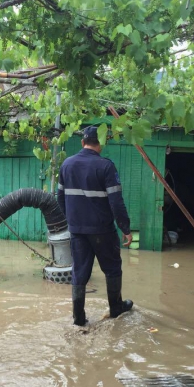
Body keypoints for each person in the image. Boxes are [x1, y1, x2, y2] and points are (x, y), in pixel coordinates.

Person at [57, 125, 134, 327]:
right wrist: (125, 228)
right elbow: (116, 202)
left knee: (79, 272)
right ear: (100, 144)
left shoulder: (66, 165)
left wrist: (71, 222)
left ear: (82, 143)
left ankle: (79, 318)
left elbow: (60, 199)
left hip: (77, 231)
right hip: (103, 231)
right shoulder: (106, 166)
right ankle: (116, 308)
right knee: (113, 269)